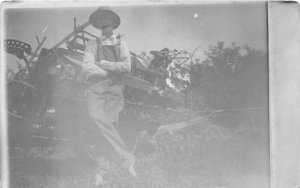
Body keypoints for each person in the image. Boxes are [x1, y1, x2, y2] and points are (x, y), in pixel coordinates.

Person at [81, 7, 137, 183]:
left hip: (114, 89)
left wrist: (103, 63)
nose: (105, 23)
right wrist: (105, 72)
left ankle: (100, 172)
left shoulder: (122, 44)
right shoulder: (91, 44)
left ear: (113, 24)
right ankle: (126, 158)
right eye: (101, 20)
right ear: (98, 25)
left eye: (108, 20)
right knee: (96, 118)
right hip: (96, 87)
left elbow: (126, 67)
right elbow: (86, 67)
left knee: (106, 126)